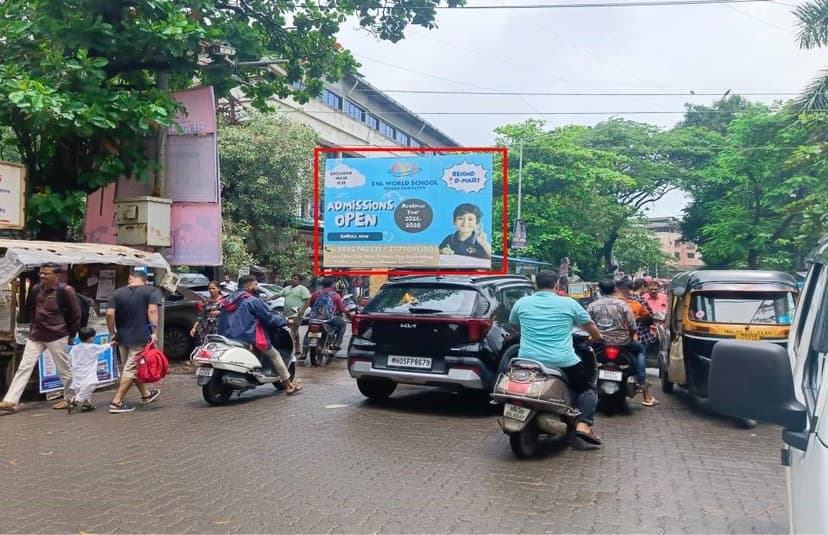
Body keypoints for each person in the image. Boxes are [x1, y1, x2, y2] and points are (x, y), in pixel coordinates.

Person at [509, 270, 605, 448]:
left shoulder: (522, 303)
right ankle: (583, 425)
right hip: (562, 360)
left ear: (535, 285)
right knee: (587, 388)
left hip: (527, 360)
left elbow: (514, 324)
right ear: (557, 285)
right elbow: (589, 325)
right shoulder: (568, 303)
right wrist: (597, 337)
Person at [0, 263, 81, 413]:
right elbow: (31, 309)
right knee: (24, 367)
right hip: (36, 335)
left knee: (63, 369)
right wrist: (32, 327)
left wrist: (71, 334)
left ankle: (70, 398)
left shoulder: (66, 291)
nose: (42, 276)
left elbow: (76, 315)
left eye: (47, 273)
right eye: (41, 273)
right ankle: (10, 400)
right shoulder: (36, 289)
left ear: (57, 276)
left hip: (57, 335)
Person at [218, 275, 303, 395]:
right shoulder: (252, 300)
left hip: (227, 335)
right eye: (255, 284)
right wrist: (284, 321)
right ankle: (289, 385)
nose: (256, 287)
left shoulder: (228, 299)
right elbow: (269, 318)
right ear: (248, 285)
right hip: (248, 336)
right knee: (275, 355)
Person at [587, 279, 659, 407]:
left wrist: (594, 337)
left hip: (600, 342)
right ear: (614, 289)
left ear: (600, 290)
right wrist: (630, 337)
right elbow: (632, 326)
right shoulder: (623, 305)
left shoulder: (593, 305)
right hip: (623, 342)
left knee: (585, 354)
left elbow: (588, 325)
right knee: (640, 350)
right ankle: (641, 381)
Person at [106, 269, 163, 414]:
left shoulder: (117, 293)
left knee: (131, 367)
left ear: (131, 278)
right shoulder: (151, 291)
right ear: (145, 280)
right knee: (131, 369)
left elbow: (109, 314)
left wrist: (112, 332)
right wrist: (154, 332)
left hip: (122, 337)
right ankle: (116, 403)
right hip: (141, 337)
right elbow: (152, 311)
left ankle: (145, 394)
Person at [298, 277, 352, 350]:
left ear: (322, 285)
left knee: (308, 332)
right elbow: (342, 309)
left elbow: (311, 305)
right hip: (328, 319)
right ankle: (337, 343)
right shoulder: (336, 295)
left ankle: (304, 352)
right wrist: (348, 312)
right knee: (343, 324)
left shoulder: (315, 294)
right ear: (333, 285)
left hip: (315, 318)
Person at [67, 326, 111, 412]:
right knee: (90, 385)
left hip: (77, 372)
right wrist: (112, 343)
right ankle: (76, 400)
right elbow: (104, 347)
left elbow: (70, 359)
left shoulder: (74, 348)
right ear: (90, 338)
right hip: (88, 371)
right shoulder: (92, 347)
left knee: (80, 388)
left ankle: (86, 405)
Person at [278, 274, 311, 358]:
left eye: (295, 279)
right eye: (292, 278)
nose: (293, 280)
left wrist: (302, 310)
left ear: (299, 281)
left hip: (296, 314)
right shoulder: (287, 288)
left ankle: (290, 351)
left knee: (292, 331)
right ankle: (297, 348)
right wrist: (269, 298)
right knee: (293, 331)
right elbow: (278, 294)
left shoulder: (303, 289)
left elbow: (308, 300)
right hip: (287, 314)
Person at [190, 281, 224, 345]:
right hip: (206, 329)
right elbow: (201, 316)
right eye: (209, 289)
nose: (211, 290)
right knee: (206, 347)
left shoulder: (224, 300)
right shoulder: (206, 301)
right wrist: (194, 328)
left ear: (218, 289)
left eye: (213, 288)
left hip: (219, 329)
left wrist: (220, 312)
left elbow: (229, 313)